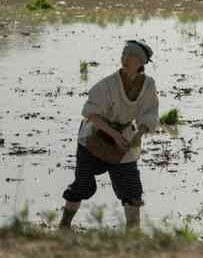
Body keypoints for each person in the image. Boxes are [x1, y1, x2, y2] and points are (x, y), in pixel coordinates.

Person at [59, 40, 159, 230]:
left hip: (125, 141)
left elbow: (150, 113)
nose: (124, 58)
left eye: (129, 55)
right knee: (82, 186)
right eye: (123, 54)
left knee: (131, 191)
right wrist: (113, 134)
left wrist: (140, 133)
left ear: (140, 61)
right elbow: (90, 113)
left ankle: (133, 235)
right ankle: (63, 226)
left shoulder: (148, 85)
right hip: (93, 138)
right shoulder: (107, 84)